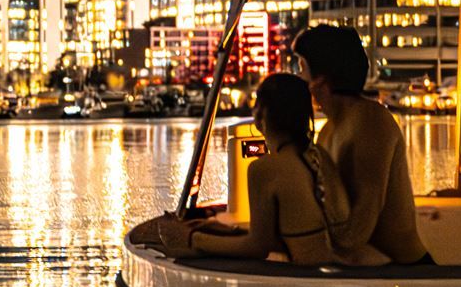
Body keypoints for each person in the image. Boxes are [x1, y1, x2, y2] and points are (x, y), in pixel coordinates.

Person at [147, 74, 384, 266]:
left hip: (317, 278)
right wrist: (220, 230)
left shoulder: (265, 169)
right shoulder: (318, 156)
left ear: (261, 114)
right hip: (352, 263)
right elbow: (301, 232)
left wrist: (191, 238)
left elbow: (257, 247)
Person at [290, 24, 431, 265]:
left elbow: (356, 230)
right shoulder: (328, 130)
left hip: (405, 271)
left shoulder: (371, 122)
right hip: (369, 269)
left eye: (302, 68)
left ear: (320, 80)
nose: (298, 77)